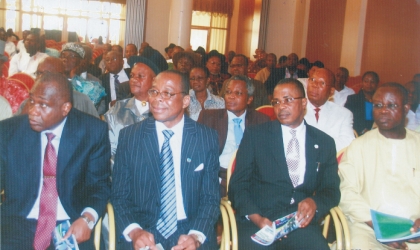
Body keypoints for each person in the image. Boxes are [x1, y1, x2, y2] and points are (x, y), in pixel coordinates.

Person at [111, 70, 220, 250]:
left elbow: (210, 198)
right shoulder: (130, 137)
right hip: (143, 227)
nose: (157, 99)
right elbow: (119, 195)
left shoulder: (205, 138)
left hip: (189, 227)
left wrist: (196, 235)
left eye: (168, 93)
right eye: (154, 92)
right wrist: (135, 231)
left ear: (186, 101)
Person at [0, 72, 110, 249]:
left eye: (43, 105)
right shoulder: (9, 131)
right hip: (18, 221)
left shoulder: (92, 132)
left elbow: (99, 186)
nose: (33, 111)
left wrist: (87, 219)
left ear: (65, 108)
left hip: (72, 222)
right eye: (32, 101)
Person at [229, 78, 340, 249]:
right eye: (276, 102)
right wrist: (257, 218)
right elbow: (238, 185)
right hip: (259, 220)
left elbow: (331, 190)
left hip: (299, 223)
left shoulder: (324, 142)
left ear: (304, 103)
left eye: (288, 100)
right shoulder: (257, 136)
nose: (281, 107)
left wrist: (314, 202)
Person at [338, 82, 420, 249]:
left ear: (406, 108)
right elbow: (345, 191)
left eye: (392, 105)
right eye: (378, 105)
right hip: (369, 229)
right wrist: (380, 226)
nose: (383, 110)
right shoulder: (358, 146)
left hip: (414, 230)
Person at [197, 74, 270, 196]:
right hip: (218, 178)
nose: (231, 97)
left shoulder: (261, 121)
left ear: (249, 99)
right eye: (228, 92)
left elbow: (266, 159)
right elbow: (198, 155)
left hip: (250, 180)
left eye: (238, 93)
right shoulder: (208, 117)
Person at [104, 57, 161, 168]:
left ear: (155, 80)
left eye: (140, 76)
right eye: (132, 76)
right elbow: (110, 152)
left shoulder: (163, 110)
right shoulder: (117, 110)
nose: (134, 80)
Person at [16, 57, 99, 118]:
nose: (39, 78)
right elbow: (13, 131)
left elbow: (97, 131)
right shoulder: (28, 103)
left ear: (61, 77)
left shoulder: (82, 101)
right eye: (38, 73)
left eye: (46, 74)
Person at [305, 68, 354, 151]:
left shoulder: (344, 114)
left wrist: (315, 144)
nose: (314, 85)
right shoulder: (295, 109)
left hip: (329, 162)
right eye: (312, 80)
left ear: (331, 91)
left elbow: (347, 143)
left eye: (322, 83)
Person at [345, 71, 380, 136]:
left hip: (377, 135)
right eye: (366, 81)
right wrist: (362, 130)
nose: (369, 84)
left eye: (372, 82)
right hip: (357, 134)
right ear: (362, 83)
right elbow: (347, 118)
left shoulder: (381, 101)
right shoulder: (352, 99)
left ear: (377, 83)